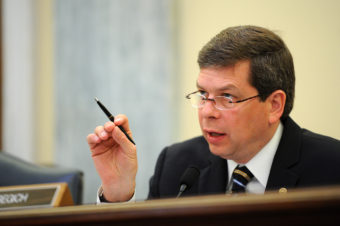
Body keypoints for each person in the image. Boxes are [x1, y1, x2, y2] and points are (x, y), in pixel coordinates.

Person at [87, 25, 340, 202]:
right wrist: (118, 193)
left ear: (274, 105)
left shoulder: (331, 169)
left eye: (227, 97)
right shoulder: (177, 165)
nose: (207, 111)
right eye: (203, 94)